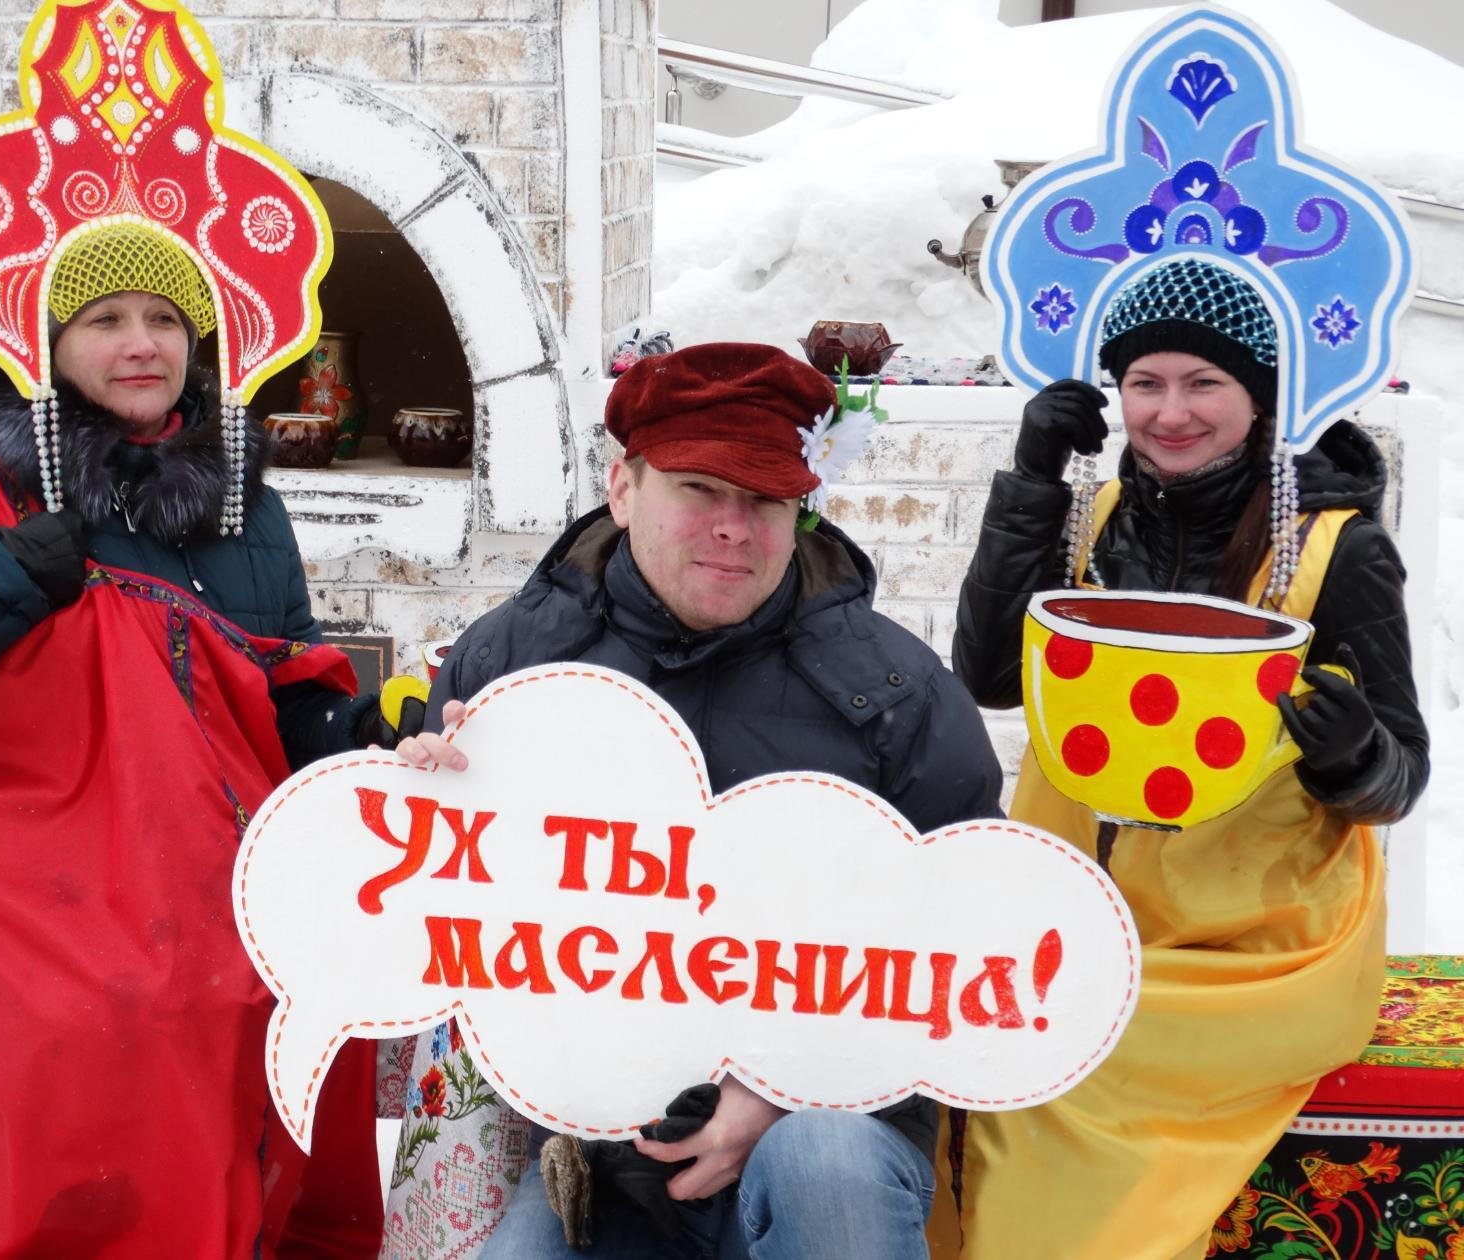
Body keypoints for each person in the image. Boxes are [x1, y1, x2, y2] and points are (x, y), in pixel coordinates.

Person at [0, 222, 386, 1256]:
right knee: (118, 1018)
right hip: (20, 875)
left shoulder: (247, 504)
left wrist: (364, 732)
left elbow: (278, 695)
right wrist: (1, 573)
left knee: (309, 989)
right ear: (43, 342)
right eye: (105, 319)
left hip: (209, 867)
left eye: (165, 319)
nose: (141, 344)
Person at [397, 341, 1005, 1260]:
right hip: (591, 1141)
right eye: (699, 489)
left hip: (838, 1117)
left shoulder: (897, 695)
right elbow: (437, 920)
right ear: (623, 488)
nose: (733, 527)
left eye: (765, 500)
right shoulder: (516, 663)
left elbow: (968, 941)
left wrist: (782, 1090)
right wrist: (421, 813)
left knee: (823, 1163)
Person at [946, 257, 1429, 1258]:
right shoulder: (1089, 517)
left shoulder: (1337, 548)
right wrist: (1032, 482)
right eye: (1145, 382)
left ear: (1260, 396)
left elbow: (1400, 779)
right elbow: (988, 676)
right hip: (1073, 909)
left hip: (1254, 948)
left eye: (1204, 382)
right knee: (992, 1039)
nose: (1170, 413)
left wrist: (1352, 753)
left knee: (1071, 1055)